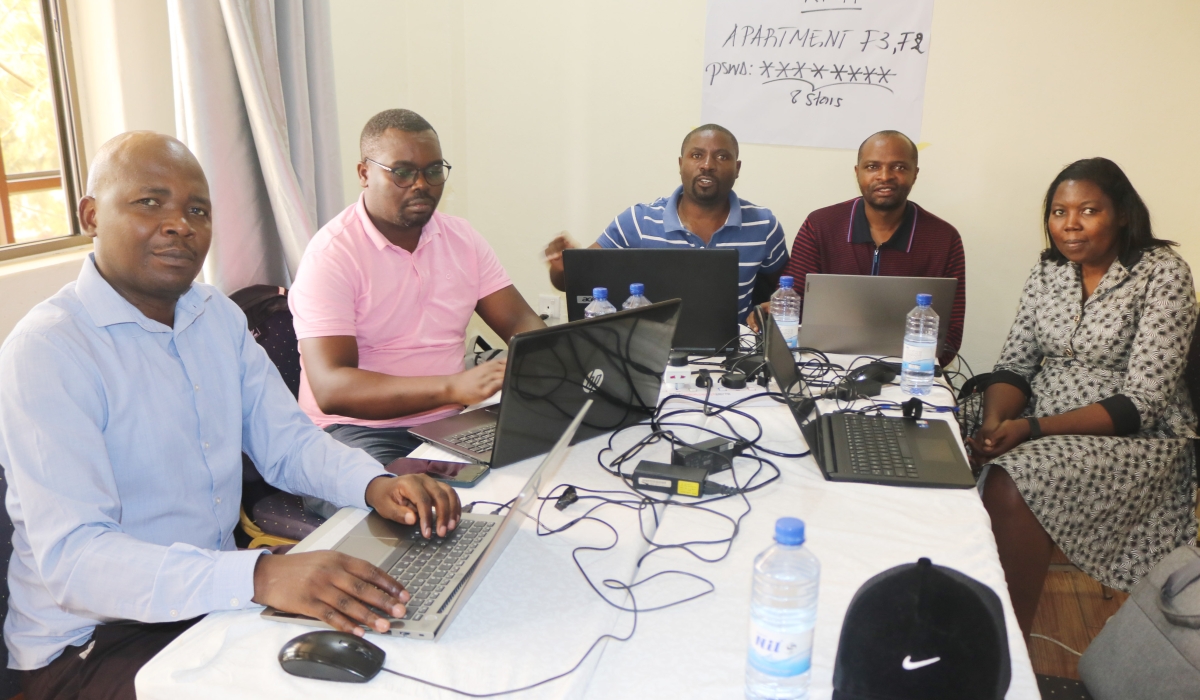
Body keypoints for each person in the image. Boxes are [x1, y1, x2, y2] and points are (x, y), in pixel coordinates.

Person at [0, 132, 461, 699]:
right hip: (89, 644)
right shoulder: (49, 350)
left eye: (197, 210)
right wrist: (261, 574)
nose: (179, 224)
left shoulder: (214, 315)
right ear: (92, 214)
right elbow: (77, 563)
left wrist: (375, 484)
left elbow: (287, 443)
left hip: (204, 601)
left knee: (398, 636)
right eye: (150, 202)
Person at [962, 157, 1197, 639]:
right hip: (1040, 409)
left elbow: (1143, 402)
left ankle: (1003, 648)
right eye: (1059, 211)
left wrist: (1028, 429)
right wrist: (992, 424)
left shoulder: (1163, 272)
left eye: (1088, 210)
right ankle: (937, 608)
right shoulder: (1049, 269)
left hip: (1135, 437)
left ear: (1123, 214)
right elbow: (1015, 363)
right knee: (936, 427)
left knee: (1013, 477)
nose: (1070, 224)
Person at [289, 109, 543, 510]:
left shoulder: (462, 239)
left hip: (448, 425)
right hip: (354, 433)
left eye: (433, 170)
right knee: (415, 514)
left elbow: (519, 321)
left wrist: (542, 358)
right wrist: (452, 387)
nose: (421, 185)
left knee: (540, 480)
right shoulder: (332, 255)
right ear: (364, 173)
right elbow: (332, 387)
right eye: (403, 172)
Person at [544, 124, 788, 323]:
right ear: (681, 164)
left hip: (734, 355)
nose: (707, 165)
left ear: (737, 168)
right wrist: (562, 267)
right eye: (697, 155)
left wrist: (771, 308)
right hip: (649, 352)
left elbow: (780, 287)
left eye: (722, 156)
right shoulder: (638, 221)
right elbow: (573, 283)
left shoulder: (764, 225)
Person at [763, 130, 966, 366]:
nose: (885, 176)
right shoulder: (820, 226)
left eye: (899, 167)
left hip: (907, 369)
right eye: (872, 167)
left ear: (915, 174)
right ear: (857, 172)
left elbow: (950, 336)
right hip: (825, 364)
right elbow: (792, 306)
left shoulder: (943, 239)